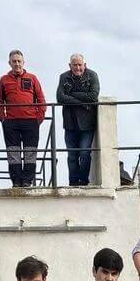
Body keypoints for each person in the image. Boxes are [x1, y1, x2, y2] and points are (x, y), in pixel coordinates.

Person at [0, 50, 46, 188]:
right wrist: (3, 119)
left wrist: (39, 118)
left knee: (30, 152)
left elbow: (41, 99)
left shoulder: (33, 78)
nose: (17, 64)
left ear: (23, 62)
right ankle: (16, 181)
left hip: (31, 121)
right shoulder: (3, 79)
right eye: (14, 61)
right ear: (9, 63)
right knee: (13, 153)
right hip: (11, 122)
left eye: (19, 61)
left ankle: (27, 181)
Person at [57, 54, 99, 186]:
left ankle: (83, 181)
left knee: (85, 153)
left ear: (84, 65)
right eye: (74, 65)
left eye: (80, 64)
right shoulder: (64, 77)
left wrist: (73, 94)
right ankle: (73, 182)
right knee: (72, 156)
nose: (78, 67)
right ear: (70, 66)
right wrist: (81, 102)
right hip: (70, 123)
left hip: (87, 124)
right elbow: (60, 98)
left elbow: (93, 96)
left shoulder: (92, 75)